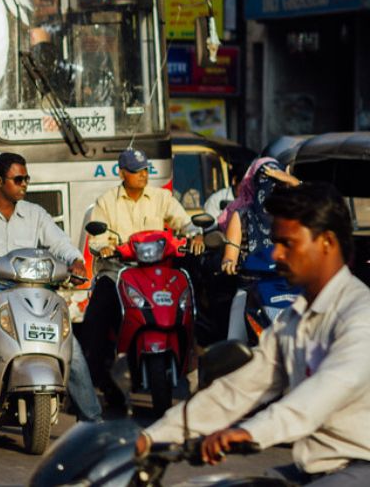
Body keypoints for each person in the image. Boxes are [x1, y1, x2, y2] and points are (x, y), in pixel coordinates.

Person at [136, 182, 370, 485]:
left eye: (288, 243)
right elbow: (241, 388)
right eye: (275, 242)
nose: (277, 254)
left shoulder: (359, 316)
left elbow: (318, 397)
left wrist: (249, 431)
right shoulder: (294, 320)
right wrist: (151, 437)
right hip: (311, 470)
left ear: (326, 241)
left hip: (360, 467)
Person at [0, 152, 100, 421]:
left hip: (29, 287)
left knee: (66, 339)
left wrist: (74, 260)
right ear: (0, 181)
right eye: (18, 179)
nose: (24, 184)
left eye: (26, 178)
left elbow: (59, 243)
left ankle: (93, 420)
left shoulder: (36, 214)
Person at [81, 148, 203, 409]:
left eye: (146, 169)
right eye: (136, 171)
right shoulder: (107, 201)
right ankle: (95, 380)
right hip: (119, 271)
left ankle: (194, 361)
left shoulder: (162, 198)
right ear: (122, 172)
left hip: (157, 272)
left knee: (192, 306)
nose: (143, 175)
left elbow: (184, 222)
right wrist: (103, 246)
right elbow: (97, 238)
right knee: (96, 318)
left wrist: (195, 234)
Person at [218, 158, 301, 276]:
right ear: (254, 186)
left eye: (275, 181)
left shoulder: (291, 215)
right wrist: (229, 263)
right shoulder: (241, 216)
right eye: (263, 180)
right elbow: (230, 254)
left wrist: (294, 182)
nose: (268, 186)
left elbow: (317, 209)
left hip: (286, 283)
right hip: (250, 285)